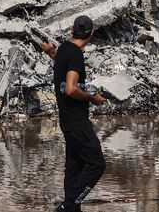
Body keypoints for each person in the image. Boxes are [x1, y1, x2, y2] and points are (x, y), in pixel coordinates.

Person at [37, 15, 106, 212]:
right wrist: (93, 98)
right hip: (76, 120)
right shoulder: (75, 54)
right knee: (96, 164)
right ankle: (69, 205)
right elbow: (71, 89)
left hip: (66, 120)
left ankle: (72, 208)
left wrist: (51, 53)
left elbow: (61, 62)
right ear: (91, 33)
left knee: (74, 166)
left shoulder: (65, 50)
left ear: (71, 30)